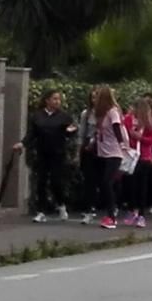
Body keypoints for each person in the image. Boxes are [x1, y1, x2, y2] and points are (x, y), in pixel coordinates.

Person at [16, 89, 77, 223]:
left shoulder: (64, 116)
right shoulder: (37, 116)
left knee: (56, 181)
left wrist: (70, 131)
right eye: (54, 99)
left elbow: (71, 132)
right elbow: (32, 134)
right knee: (41, 182)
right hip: (42, 152)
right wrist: (22, 143)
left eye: (58, 99)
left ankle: (61, 205)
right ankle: (41, 211)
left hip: (58, 153)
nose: (57, 102)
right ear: (47, 100)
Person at [123, 97, 152, 228]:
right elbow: (124, 132)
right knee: (131, 185)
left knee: (142, 186)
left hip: (144, 157)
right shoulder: (129, 120)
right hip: (131, 155)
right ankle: (132, 210)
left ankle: (141, 214)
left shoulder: (151, 123)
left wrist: (140, 137)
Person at [93, 87, 129, 230]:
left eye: (97, 97)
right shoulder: (100, 114)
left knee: (107, 182)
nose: (94, 99)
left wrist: (122, 143)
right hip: (103, 151)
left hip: (114, 152)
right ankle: (110, 210)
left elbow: (116, 127)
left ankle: (112, 216)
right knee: (104, 183)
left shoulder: (113, 111)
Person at [77, 89, 101, 225]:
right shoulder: (86, 114)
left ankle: (108, 207)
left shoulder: (109, 114)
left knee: (105, 180)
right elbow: (82, 133)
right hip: (89, 149)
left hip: (103, 148)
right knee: (89, 180)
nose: (95, 100)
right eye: (92, 98)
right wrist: (79, 150)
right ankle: (89, 208)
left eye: (97, 97)